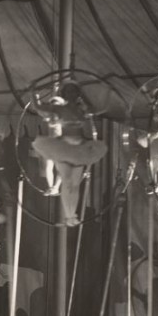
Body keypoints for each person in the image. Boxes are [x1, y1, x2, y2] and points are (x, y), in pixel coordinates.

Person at [32, 81, 107, 226]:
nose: (71, 94)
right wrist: (34, 92)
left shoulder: (82, 109)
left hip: (79, 148)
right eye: (68, 92)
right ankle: (68, 216)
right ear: (64, 94)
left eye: (74, 91)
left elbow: (100, 108)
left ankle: (72, 216)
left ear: (78, 94)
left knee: (74, 185)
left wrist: (89, 94)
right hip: (64, 148)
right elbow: (38, 107)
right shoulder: (59, 109)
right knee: (67, 182)